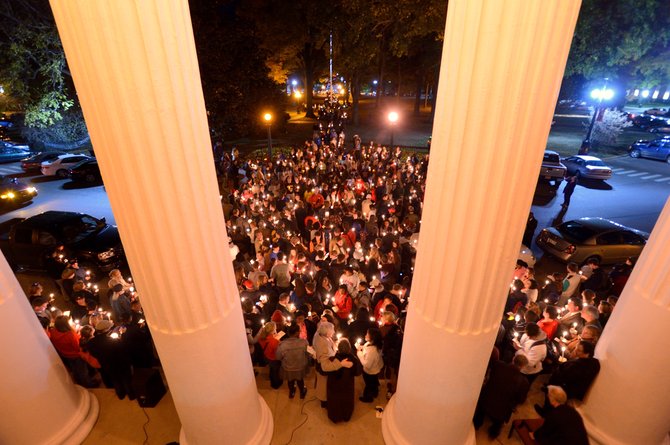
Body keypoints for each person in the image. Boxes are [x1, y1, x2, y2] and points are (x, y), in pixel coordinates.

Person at [536, 341, 600, 415]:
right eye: (576, 347)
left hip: (563, 387)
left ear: (587, 353)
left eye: (579, 350)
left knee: (551, 398)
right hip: (566, 385)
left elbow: (565, 378)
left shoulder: (578, 367)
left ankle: (544, 412)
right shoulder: (595, 362)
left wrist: (560, 367)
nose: (575, 350)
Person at [473, 355, 530, 439]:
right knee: (499, 422)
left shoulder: (498, 365)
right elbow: (521, 400)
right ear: (523, 367)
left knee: (480, 414)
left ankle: (476, 425)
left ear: (513, 359)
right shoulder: (524, 382)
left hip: (485, 400)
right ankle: (493, 434)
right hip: (501, 411)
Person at [86, 320, 135, 400]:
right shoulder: (112, 341)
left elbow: (94, 354)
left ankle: (121, 395)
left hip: (106, 365)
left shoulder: (91, 343)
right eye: (110, 328)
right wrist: (122, 336)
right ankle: (131, 395)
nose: (111, 329)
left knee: (115, 379)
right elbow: (123, 350)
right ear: (106, 330)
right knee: (126, 379)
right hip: (121, 364)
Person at [312, 322, 353, 408]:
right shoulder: (323, 347)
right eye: (332, 330)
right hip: (324, 370)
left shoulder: (320, 334)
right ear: (327, 333)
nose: (334, 332)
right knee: (323, 389)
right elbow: (325, 366)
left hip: (325, 362)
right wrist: (341, 364)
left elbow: (330, 344)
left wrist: (335, 345)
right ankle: (324, 403)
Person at [325, 338, 361, 423]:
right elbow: (358, 372)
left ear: (338, 348)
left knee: (335, 400)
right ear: (349, 348)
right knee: (346, 400)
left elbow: (327, 371)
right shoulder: (353, 359)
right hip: (347, 386)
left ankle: (335, 417)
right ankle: (346, 416)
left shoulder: (333, 359)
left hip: (334, 385)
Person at [275, 323, 309, 399]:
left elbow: (278, 357)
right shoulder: (304, 342)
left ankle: (292, 392)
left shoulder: (283, 344)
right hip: (300, 366)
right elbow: (309, 354)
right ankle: (302, 392)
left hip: (288, 367)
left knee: (290, 380)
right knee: (300, 379)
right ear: (297, 332)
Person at [356, 327, 384, 403]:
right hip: (375, 369)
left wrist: (359, 352)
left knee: (369, 385)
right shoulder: (372, 344)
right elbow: (367, 349)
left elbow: (366, 364)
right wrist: (362, 347)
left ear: (372, 337)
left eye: (367, 334)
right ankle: (375, 392)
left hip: (370, 371)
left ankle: (368, 398)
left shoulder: (372, 350)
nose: (365, 335)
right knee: (374, 382)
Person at [256, 321, 283, 389]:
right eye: (275, 328)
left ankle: (271, 378)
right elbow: (277, 351)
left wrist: (274, 335)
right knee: (275, 371)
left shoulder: (262, 337)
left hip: (266, 356)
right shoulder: (274, 341)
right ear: (273, 329)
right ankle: (275, 384)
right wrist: (279, 341)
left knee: (272, 369)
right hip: (273, 358)